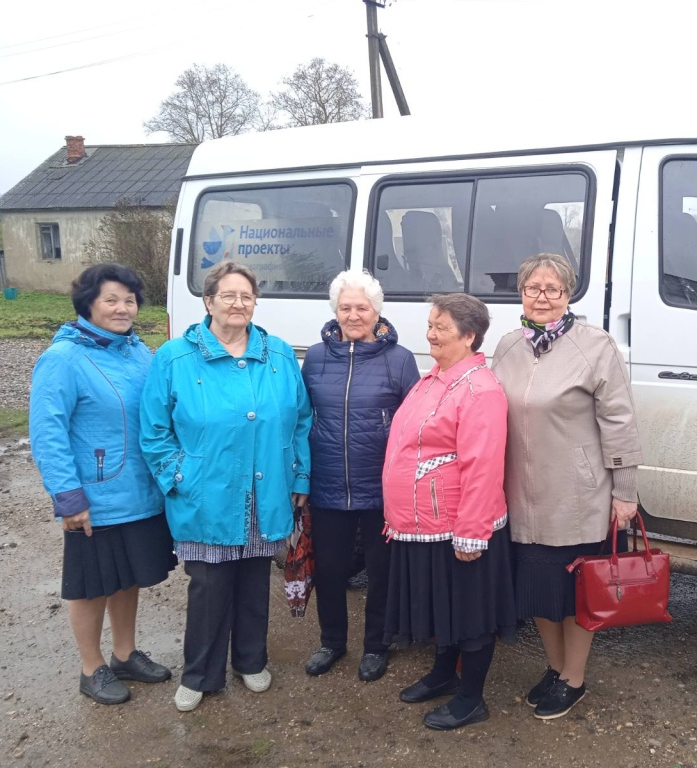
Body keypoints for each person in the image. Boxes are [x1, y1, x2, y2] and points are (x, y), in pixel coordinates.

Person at [139, 261, 311, 713]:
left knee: (255, 584)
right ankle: (200, 674)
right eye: (228, 295)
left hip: (264, 491)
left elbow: (301, 421)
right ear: (209, 301)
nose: (238, 303)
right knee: (208, 588)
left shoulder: (277, 355)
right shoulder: (175, 357)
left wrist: (299, 475)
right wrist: (179, 475)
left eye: (247, 296)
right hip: (205, 493)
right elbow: (155, 431)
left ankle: (251, 661)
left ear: (255, 303)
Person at [491, 253, 643, 720]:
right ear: (521, 293)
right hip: (521, 495)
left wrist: (624, 492)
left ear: (569, 294)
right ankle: (555, 669)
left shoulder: (595, 347)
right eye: (532, 287)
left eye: (552, 289)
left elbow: (620, 420)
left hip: (578, 496)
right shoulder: (508, 345)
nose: (541, 296)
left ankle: (574, 678)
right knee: (538, 592)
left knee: (578, 597)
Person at [29, 263, 175, 705]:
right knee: (92, 583)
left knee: (125, 576)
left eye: (129, 300)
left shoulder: (138, 352)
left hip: (139, 491)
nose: (122, 308)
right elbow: (47, 432)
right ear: (88, 303)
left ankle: (125, 653)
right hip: (95, 495)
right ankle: (90, 668)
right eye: (111, 299)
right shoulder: (63, 359)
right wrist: (69, 497)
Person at [382, 293, 516, 731]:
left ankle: (471, 698)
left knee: (470, 613)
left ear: (470, 335)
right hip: (425, 522)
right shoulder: (433, 379)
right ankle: (443, 675)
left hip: (460, 525)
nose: (430, 334)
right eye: (431, 325)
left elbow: (483, 465)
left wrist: (472, 531)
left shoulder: (480, 389)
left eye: (441, 327)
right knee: (445, 609)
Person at [300, 270, 419, 682]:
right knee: (330, 569)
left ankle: (376, 645)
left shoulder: (400, 359)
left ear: (376, 312)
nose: (353, 315)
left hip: (382, 488)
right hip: (329, 484)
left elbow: (414, 424)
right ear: (336, 311)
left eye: (362, 307)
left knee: (381, 571)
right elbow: (302, 419)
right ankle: (331, 641)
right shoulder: (315, 357)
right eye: (346, 307)